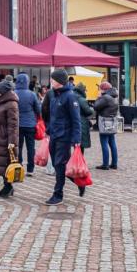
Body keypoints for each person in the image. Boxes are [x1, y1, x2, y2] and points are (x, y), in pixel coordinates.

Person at [45, 69, 83, 205]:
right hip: (54, 135)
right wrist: (48, 129)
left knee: (59, 164)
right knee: (59, 165)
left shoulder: (70, 97)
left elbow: (76, 120)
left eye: (53, 79)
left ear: (60, 81)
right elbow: (52, 116)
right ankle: (79, 181)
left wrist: (76, 139)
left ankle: (58, 194)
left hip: (64, 137)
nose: (51, 81)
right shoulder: (53, 95)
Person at [0, 78, 19, 198]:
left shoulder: (11, 104)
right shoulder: (0, 102)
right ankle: (7, 186)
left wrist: (12, 142)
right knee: (2, 164)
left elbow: (13, 126)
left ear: (3, 91)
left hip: (6, 139)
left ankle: (8, 187)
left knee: (7, 163)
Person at [14, 73, 41, 175]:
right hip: (30, 124)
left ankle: (19, 166)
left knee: (19, 147)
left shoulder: (14, 93)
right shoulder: (32, 94)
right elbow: (38, 110)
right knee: (30, 147)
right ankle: (30, 169)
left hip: (17, 125)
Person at [94, 82, 119, 170]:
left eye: (100, 88)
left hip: (104, 122)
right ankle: (114, 163)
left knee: (104, 142)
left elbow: (96, 107)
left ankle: (105, 164)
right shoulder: (114, 97)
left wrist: (98, 97)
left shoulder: (105, 98)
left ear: (103, 89)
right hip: (112, 122)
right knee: (112, 143)